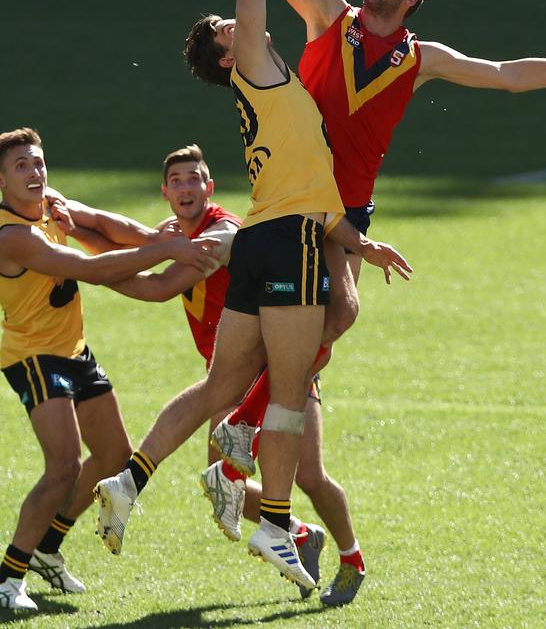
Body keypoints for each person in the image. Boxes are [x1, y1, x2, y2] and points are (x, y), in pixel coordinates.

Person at [184, 0, 546, 606]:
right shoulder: (327, 16)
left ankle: (247, 439)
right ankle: (245, 443)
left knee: (339, 313)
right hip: (296, 195)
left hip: (346, 208)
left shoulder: (416, 56)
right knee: (330, 320)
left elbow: (503, 76)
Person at [93, 0, 411, 596]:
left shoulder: (274, 89)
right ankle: (273, 518)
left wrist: (363, 243)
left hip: (265, 235)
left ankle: (130, 479)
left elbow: (315, 188)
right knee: (294, 387)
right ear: (228, 50)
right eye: (229, 25)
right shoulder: (262, 69)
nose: (240, 22)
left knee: (219, 384)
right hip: (290, 243)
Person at [67, 143, 344, 596]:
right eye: (177, 181)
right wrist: (73, 231)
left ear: (209, 187)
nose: (186, 187)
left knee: (310, 475)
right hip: (232, 376)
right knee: (221, 486)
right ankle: (298, 533)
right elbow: (120, 241)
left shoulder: (221, 234)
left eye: (193, 178)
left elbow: (156, 285)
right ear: (166, 193)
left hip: (275, 368)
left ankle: (350, 556)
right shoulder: (177, 234)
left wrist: (84, 269)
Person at [0, 127, 221, 614]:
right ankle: (9, 575)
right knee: (61, 468)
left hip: (73, 350)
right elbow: (89, 268)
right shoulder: (13, 236)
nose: (35, 172)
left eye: (38, 163)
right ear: (2, 181)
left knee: (114, 455)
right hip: (33, 357)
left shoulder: (49, 202)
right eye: (21, 167)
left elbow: (101, 222)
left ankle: (46, 548)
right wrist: (166, 251)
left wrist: (159, 237)